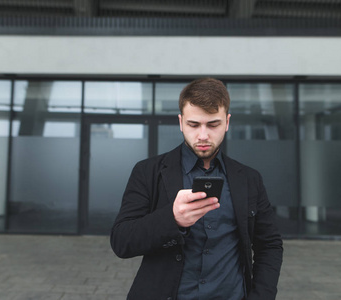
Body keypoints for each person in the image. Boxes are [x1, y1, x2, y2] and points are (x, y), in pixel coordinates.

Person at [110, 78, 283, 300]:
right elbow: (121, 242)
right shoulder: (148, 171)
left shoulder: (250, 179)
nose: (203, 135)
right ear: (181, 122)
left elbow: (269, 245)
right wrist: (172, 219)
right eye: (193, 125)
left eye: (213, 124)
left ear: (227, 122)